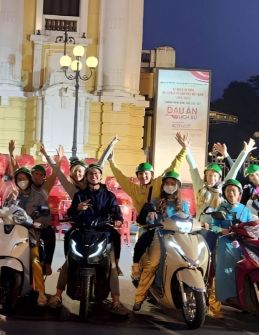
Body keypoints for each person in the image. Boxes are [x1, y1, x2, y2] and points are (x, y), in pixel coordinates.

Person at [48, 163, 130, 316]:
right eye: (90, 173)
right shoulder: (80, 195)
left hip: (102, 231)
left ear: (100, 176)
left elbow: (116, 212)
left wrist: (118, 219)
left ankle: (116, 301)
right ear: (87, 177)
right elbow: (71, 212)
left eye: (96, 173)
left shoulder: (109, 195)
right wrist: (77, 208)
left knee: (112, 255)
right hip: (82, 230)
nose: (93, 176)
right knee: (69, 240)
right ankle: (57, 295)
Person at [0, 167, 50, 305]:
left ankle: (40, 292)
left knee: (35, 260)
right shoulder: (12, 195)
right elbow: (4, 211)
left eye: (25, 178)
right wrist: (9, 201)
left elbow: (46, 215)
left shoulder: (39, 197)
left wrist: (39, 223)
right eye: (19, 179)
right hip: (10, 231)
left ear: (29, 180)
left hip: (29, 233)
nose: (22, 181)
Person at [131, 171, 191, 311]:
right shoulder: (155, 202)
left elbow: (188, 220)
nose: (169, 186)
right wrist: (150, 216)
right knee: (152, 264)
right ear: (163, 185)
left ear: (178, 186)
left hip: (178, 238)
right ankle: (139, 298)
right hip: (160, 237)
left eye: (172, 183)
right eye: (167, 183)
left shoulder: (183, 205)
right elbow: (148, 220)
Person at [107, 133, 191, 214]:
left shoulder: (159, 182)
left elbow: (174, 166)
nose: (143, 176)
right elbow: (120, 177)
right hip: (142, 222)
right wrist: (111, 162)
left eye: (146, 173)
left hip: (158, 221)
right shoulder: (133, 189)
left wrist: (184, 150)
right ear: (137, 176)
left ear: (152, 174)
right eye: (140, 174)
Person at [9, 140, 58, 275]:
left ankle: (47, 264)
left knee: (50, 234)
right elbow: (17, 170)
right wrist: (11, 153)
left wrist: (47, 155)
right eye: (36, 173)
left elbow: (56, 172)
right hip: (20, 219)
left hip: (37, 220)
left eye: (41, 175)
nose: (38, 176)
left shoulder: (45, 188)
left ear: (44, 178)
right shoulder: (24, 186)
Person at [208, 179, 253, 318]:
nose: (231, 193)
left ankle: (245, 302)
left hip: (243, 244)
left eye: (233, 190)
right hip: (225, 243)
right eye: (228, 191)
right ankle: (213, 307)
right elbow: (213, 226)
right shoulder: (220, 209)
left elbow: (251, 224)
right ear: (224, 193)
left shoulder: (245, 209)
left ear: (239, 193)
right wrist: (222, 230)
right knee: (221, 274)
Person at [187, 140, 254, 227]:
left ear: (219, 177)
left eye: (215, 175)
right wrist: (186, 149)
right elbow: (193, 168)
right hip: (201, 225)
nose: (212, 178)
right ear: (205, 176)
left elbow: (234, 169)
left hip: (219, 226)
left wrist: (244, 152)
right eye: (209, 175)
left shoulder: (223, 188)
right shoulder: (200, 187)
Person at [41, 136, 118, 198]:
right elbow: (57, 171)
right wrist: (46, 155)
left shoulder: (92, 181)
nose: (77, 174)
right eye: (75, 171)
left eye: (80, 171)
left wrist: (112, 145)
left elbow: (101, 162)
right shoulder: (70, 187)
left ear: (85, 173)